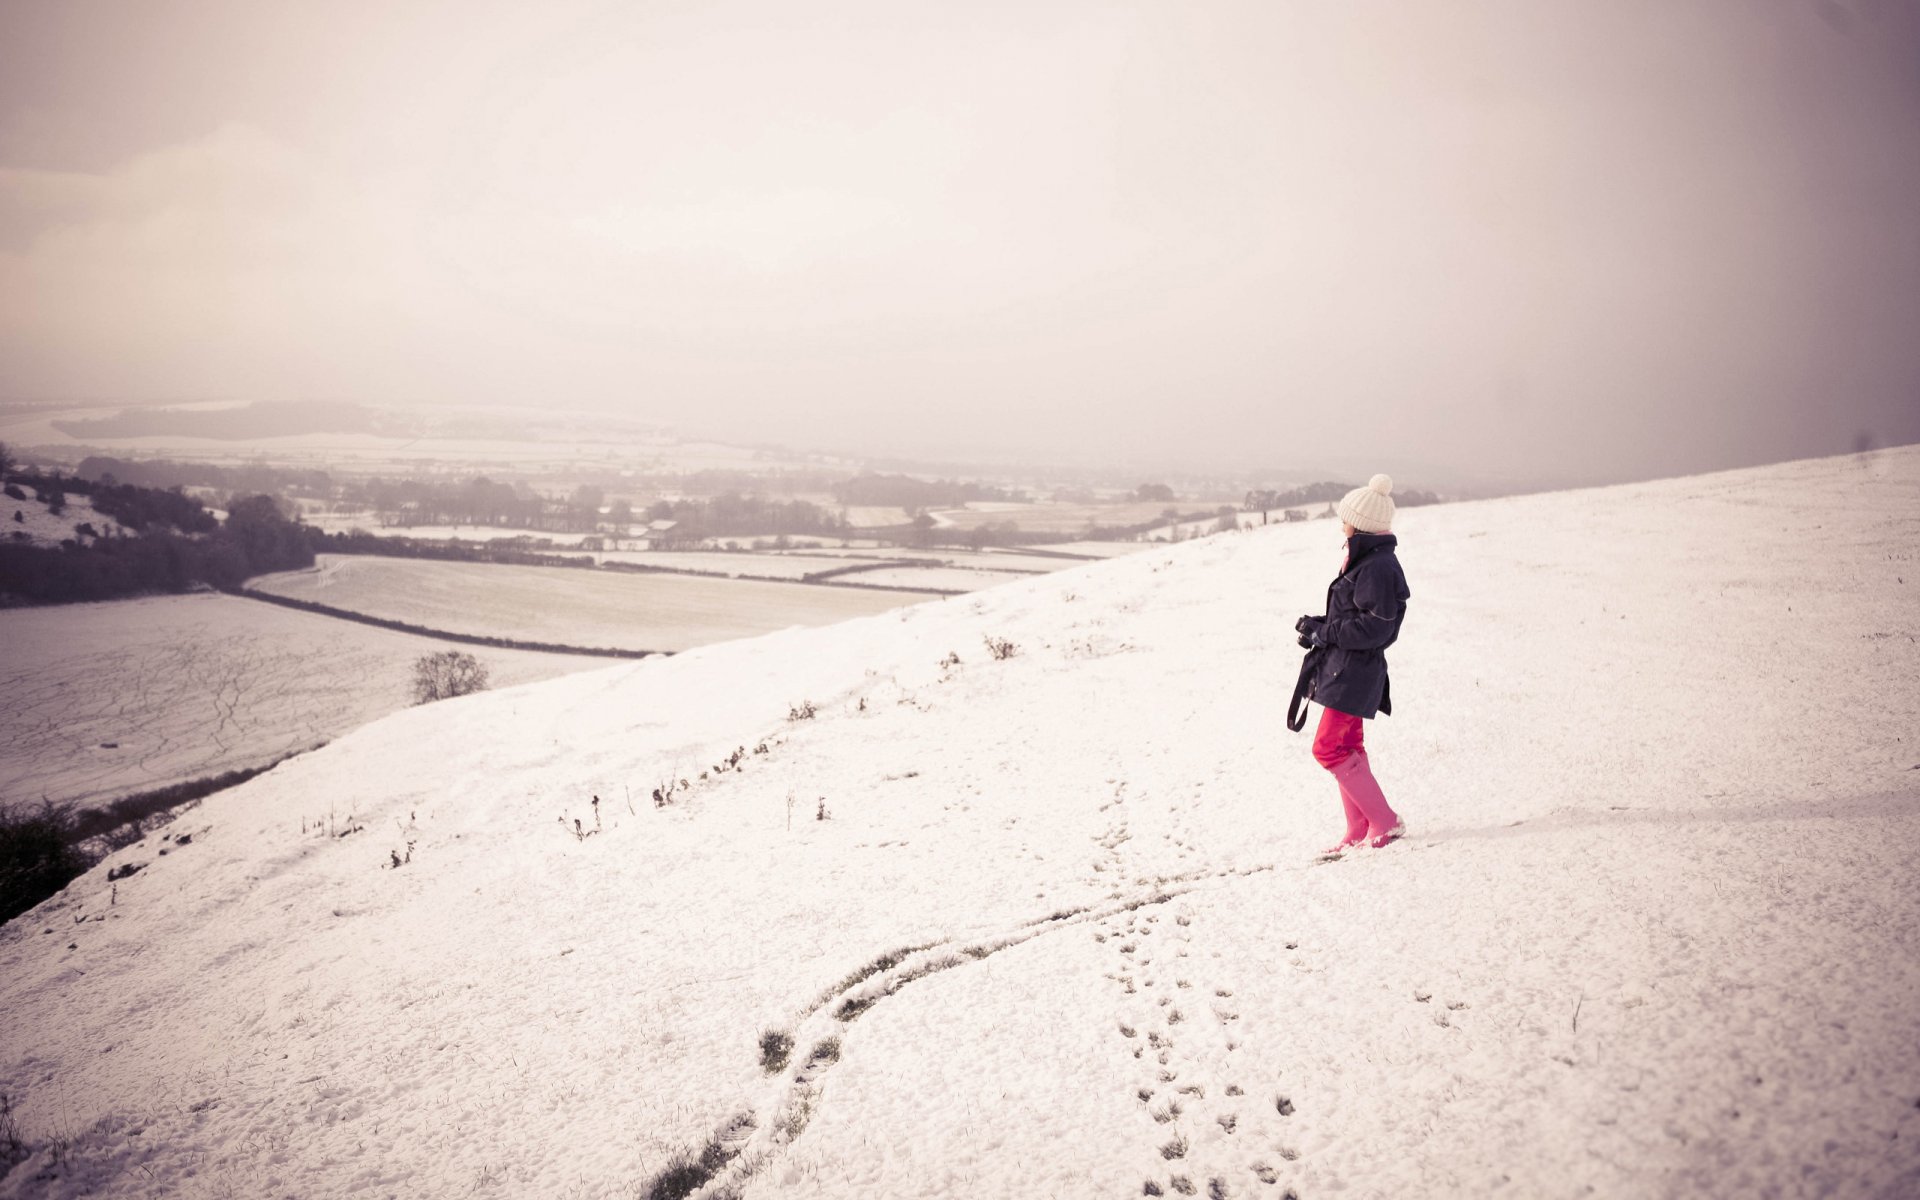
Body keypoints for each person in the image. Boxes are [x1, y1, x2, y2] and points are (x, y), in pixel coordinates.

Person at [1295, 474, 1410, 852]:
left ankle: (1385, 821)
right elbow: (1356, 617)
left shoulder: (1376, 566)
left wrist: (1327, 633)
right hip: (1346, 669)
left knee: (1328, 748)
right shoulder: (1367, 560)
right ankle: (1359, 827)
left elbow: (1376, 627)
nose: (1340, 522)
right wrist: (1319, 627)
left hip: (1354, 673)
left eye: (1345, 517)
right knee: (1349, 745)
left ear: (1359, 524)